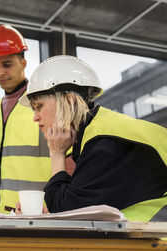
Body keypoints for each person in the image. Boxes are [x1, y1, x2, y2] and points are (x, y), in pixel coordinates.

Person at [18, 55, 167, 222]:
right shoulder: (100, 131)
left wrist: (57, 153)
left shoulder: (104, 144)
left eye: (39, 107)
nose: (35, 118)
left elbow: (68, 212)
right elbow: (82, 207)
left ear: (69, 101)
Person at [0, 25, 51, 214]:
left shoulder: (45, 106)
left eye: (7, 64)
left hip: (33, 214)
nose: (0, 73)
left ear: (23, 63)